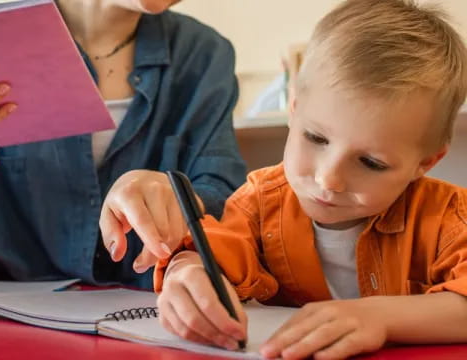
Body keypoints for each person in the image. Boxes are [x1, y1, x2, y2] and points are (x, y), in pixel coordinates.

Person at [151, 0, 467, 358]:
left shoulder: (449, 218)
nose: (329, 179)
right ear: (294, 108)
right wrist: (187, 273)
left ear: (425, 163)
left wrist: (380, 318)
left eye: (370, 162)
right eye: (316, 138)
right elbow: (214, 253)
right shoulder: (259, 203)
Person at [0, 0, 246, 289]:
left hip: (148, 309)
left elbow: (226, 194)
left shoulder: (205, 54)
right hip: (4, 307)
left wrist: (180, 200)